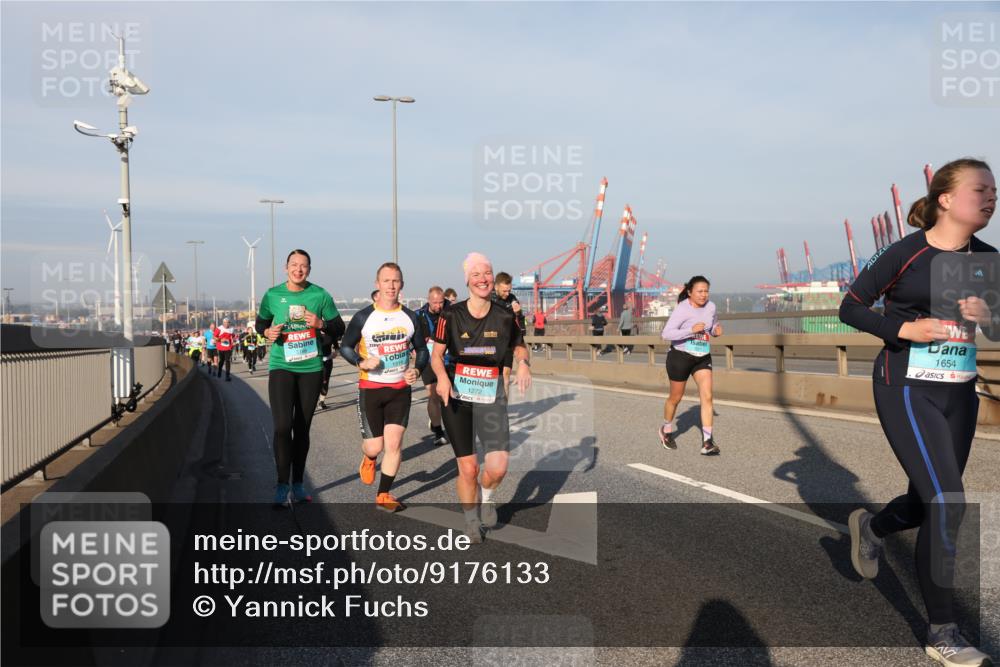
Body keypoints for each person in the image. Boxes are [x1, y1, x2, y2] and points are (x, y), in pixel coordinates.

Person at [839, 158, 997, 667]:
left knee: (928, 500)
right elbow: (851, 306)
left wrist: (988, 315)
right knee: (948, 501)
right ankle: (943, 632)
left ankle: (873, 528)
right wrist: (905, 330)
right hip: (906, 386)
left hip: (959, 392)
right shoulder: (906, 253)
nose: (991, 198)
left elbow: (997, 328)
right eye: (980, 190)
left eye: (994, 192)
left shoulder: (988, 258)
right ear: (946, 199)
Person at [432, 253, 531, 543]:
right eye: (476, 275)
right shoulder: (450, 315)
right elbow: (436, 355)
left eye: (487, 273)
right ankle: (471, 520)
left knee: (498, 468)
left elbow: (519, 345)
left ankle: (486, 495)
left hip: (491, 395)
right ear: (467, 281)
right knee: (469, 467)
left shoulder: (504, 315)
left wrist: (523, 363)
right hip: (458, 396)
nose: (483, 279)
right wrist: (441, 378)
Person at [256, 249, 344, 507]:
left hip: (311, 369)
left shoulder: (320, 295)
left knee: (302, 428)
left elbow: (339, 327)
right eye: (294, 265)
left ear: (309, 269)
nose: (298, 269)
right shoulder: (272, 295)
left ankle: (297, 483)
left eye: (303, 265)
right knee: (283, 427)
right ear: (286, 268)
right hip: (281, 366)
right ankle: (282, 485)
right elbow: (260, 324)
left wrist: (320, 323)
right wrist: (267, 333)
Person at [340, 263, 428, 512]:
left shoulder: (411, 317)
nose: (391, 285)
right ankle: (369, 458)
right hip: (371, 388)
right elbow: (345, 346)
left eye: (395, 281)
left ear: (402, 285)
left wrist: (417, 370)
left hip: (399, 389)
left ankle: (384, 494)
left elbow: (422, 349)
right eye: (386, 281)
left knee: (394, 444)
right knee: (375, 446)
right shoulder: (363, 317)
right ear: (377, 284)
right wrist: (361, 361)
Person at [659, 276, 723, 455]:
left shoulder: (711, 307)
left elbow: (711, 325)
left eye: (706, 291)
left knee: (707, 396)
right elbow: (666, 333)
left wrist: (715, 331)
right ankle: (666, 429)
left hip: (702, 356)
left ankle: (707, 442)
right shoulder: (682, 308)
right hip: (680, 356)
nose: (703, 295)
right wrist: (690, 330)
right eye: (699, 291)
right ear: (690, 292)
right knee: (675, 398)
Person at [416, 286, 449, 445]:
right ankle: (438, 430)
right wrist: (413, 349)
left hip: (448, 359)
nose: (438, 306)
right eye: (435, 303)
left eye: (441, 302)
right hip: (428, 360)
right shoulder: (419, 315)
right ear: (428, 300)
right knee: (433, 394)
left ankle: (448, 423)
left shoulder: (452, 311)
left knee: (448, 396)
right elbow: (410, 335)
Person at [492, 272, 526, 395]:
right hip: (490, 343)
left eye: (509, 290)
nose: (507, 293)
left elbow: (520, 323)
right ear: (496, 287)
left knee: (506, 375)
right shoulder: (488, 298)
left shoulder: (512, 299)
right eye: (504, 291)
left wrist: (518, 313)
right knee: (493, 377)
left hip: (506, 342)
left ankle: (503, 405)